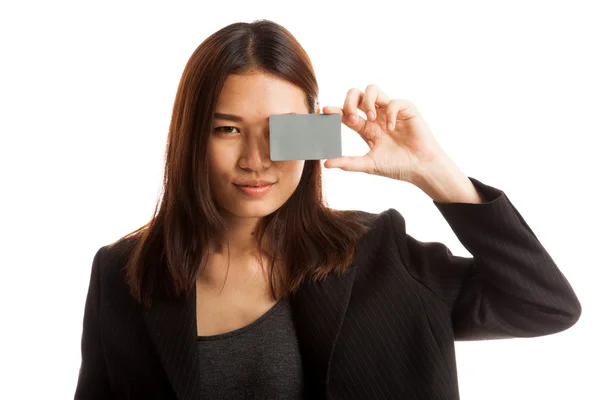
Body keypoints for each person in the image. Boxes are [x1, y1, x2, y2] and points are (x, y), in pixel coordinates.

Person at [74, 19, 582, 400]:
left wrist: (433, 170)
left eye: (282, 131)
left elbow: (543, 305)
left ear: (312, 133)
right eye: (226, 129)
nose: (257, 160)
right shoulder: (123, 274)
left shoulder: (378, 252)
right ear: (190, 137)